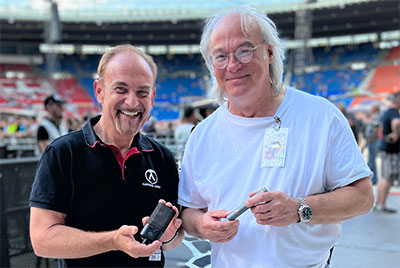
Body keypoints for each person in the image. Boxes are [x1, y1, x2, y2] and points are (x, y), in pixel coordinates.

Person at [178, 7, 374, 268]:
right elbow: (189, 210)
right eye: (220, 57)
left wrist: (298, 208)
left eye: (244, 51)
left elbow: (362, 197)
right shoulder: (202, 135)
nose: (233, 65)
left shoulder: (320, 116)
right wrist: (201, 226)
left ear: (269, 52)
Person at [29, 44, 183, 267]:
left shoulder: (163, 158)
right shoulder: (63, 153)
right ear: (99, 91)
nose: (132, 102)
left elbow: (174, 239)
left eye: (142, 92)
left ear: (152, 97)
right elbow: (42, 240)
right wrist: (113, 241)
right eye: (121, 89)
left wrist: (167, 237)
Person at [374, 92, 400, 213]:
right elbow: (396, 123)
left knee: (384, 177)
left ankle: (379, 203)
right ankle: (381, 204)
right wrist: (397, 134)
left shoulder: (387, 111)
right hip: (390, 150)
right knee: (387, 178)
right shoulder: (394, 112)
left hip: (386, 149)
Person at [364, 104, 381, 184]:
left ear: (375, 108)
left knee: (372, 159)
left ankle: (374, 179)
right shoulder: (374, 116)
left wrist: (372, 138)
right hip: (371, 139)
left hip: (373, 140)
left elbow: (377, 128)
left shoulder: (377, 116)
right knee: (370, 159)